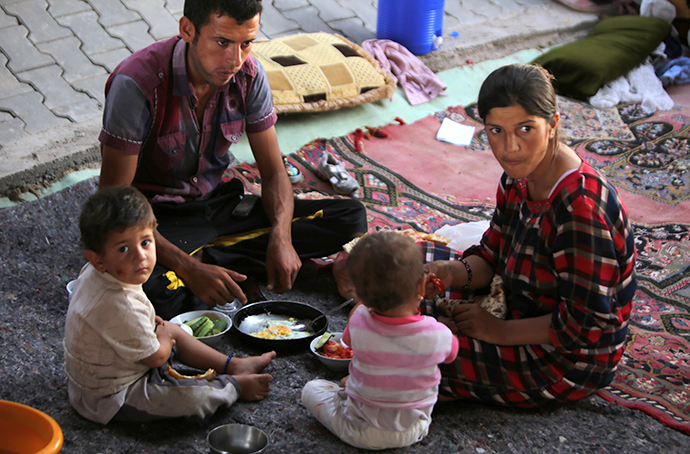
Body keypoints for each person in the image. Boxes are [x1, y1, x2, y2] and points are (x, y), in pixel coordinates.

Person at [97, 0, 368, 320]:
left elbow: (273, 173)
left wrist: (281, 237)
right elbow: (113, 203)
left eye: (246, 44)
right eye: (222, 42)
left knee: (350, 217)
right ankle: (216, 261)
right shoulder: (138, 84)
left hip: (217, 206)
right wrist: (188, 268)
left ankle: (219, 259)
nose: (234, 60)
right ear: (187, 30)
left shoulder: (250, 76)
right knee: (155, 294)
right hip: (154, 221)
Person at [421, 63, 637, 407]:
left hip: (564, 358)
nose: (509, 148)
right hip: (515, 303)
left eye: (525, 129)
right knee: (398, 266)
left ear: (553, 125)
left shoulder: (580, 208)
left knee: (414, 354)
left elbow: (585, 324)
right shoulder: (517, 178)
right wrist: (452, 275)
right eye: (496, 131)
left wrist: (497, 332)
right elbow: (492, 254)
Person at [63, 186, 276, 424]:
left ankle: (233, 365)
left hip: (117, 362)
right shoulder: (119, 303)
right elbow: (156, 357)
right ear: (97, 259)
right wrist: (164, 340)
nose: (140, 256)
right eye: (124, 249)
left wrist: (160, 330)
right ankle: (233, 386)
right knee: (192, 399)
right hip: (112, 396)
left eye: (145, 242)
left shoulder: (97, 274)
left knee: (171, 328)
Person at [302, 232, 459, 450]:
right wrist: (446, 329)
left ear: (361, 297)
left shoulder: (358, 318)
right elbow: (451, 353)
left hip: (359, 430)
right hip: (416, 426)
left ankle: (356, 391)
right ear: (422, 287)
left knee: (312, 389)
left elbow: (347, 341)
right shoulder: (437, 333)